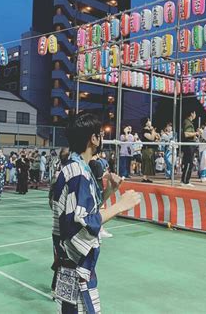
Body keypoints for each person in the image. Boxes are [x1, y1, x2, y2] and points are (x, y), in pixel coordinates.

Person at [51, 113, 140, 312]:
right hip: (77, 266)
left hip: (67, 264)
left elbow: (83, 208)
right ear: (93, 138)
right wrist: (120, 206)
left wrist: (110, 191)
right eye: (99, 134)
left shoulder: (73, 168)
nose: (101, 138)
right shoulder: (79, 174)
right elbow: (82, 221)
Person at [181, 110, 198, 187]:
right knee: (188, 163)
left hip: (190, 145)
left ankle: (185, 180)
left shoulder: (189, 122)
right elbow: (186, 134)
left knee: (189, 162)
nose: (195, 115)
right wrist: (196, 133)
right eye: (194, 113)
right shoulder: (187, 122)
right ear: (191, 113)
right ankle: (185, 181)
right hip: (189, 145)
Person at [141, 118, 158, 183]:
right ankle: (144, 178)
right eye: (148, 121)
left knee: (150, 163)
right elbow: (151, 138)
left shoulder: (149, 130)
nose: (150, 122)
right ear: (146, 123)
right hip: (146, 149)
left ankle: (146, 177)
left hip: (150, 148)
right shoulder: (144, 131)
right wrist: (153, 130)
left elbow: (156, 136)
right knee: (147, 162)